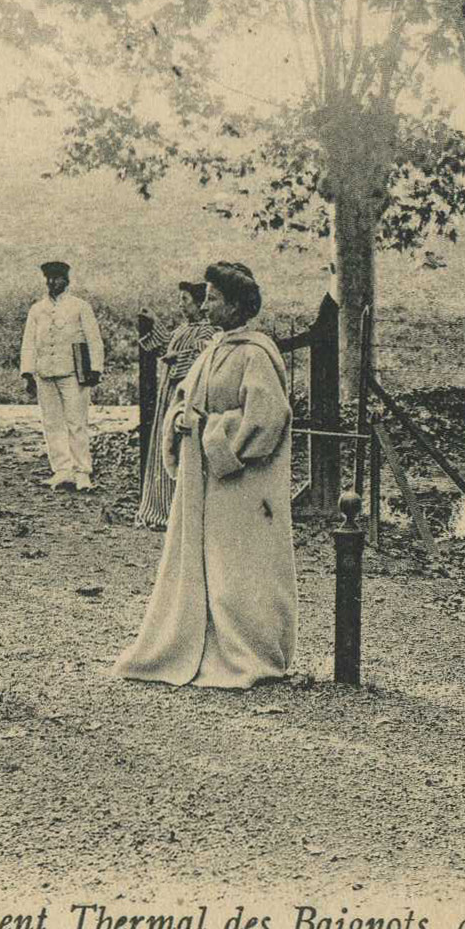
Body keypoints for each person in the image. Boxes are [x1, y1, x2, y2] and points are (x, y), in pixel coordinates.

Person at [114, 261, 297, 689]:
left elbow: (269, 418)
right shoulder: (214, 348)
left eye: (214, 299)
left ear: (237, 306)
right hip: (204, 484)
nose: (207, 306)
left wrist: (216, 437)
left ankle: (246, 654)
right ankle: (197, 647)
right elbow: (185, 397)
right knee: (204, 564)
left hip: (242, 488)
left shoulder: (255, 354)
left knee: (238, 570)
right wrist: (180, 418)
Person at [134, 280, 218, 529]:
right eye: (180, 300)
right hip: (169, 393)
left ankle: (177, 510)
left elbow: (203, 356)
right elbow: (166, 344)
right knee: (164, 445)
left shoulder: (206, 331)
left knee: (178, 447)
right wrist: (154, 321)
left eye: (186, 300)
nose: (182, 306)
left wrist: (178, 358)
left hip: (185, 393)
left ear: (200, 303)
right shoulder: (184, 329)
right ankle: (159, 507)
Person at [19, 260, 104, 492]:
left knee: (76, 423)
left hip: (73, 374)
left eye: (56, 278)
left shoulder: (79, 307)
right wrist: (28, 373)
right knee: (52, 423)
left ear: (66, 280)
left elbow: (93, 339)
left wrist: (95, 369)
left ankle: (82, 472)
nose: (51, 283)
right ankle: (62, 471)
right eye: (48, 278)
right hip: (45, 373)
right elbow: (29, 343)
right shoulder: (37, 309)